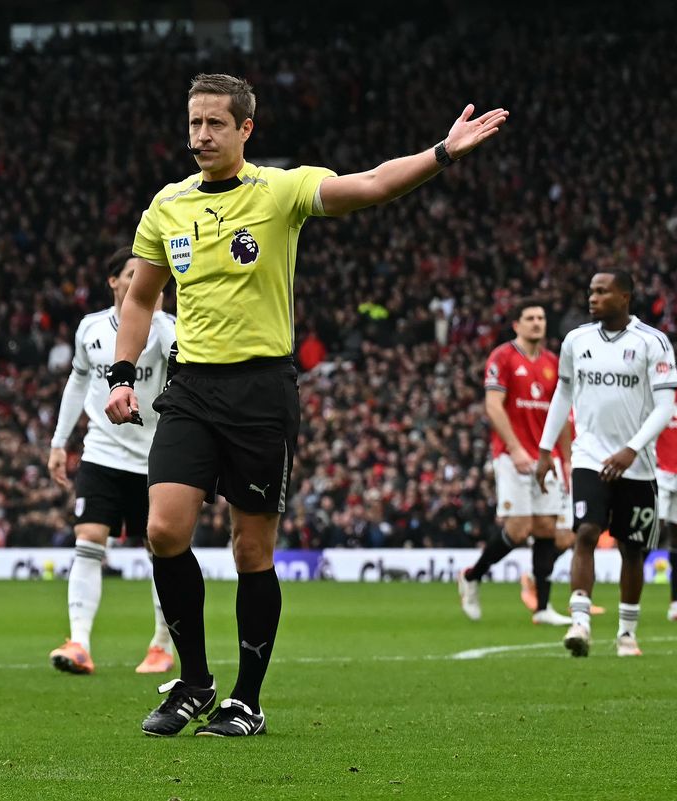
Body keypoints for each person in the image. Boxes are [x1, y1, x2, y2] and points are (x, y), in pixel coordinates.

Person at [105, 72, 508, 737]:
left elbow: (373, 184)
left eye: (214, 123)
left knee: (250, 551)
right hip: (191, 388)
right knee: (163, 531)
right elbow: (141, 298)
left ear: (245, 130)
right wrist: (122, 373)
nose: (200, 134)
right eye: (194, 122)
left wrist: (442, 151)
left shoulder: (281, 190)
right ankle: (194, 681)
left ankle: (246, 699)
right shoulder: (166, 206)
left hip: (261, 391)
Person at [46, 246, 177, 676]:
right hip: (102, 451)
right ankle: (79, 642)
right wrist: (59, 442)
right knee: (88, 537)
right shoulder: (91, 329)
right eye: (135, 273)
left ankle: (161, 644)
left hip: (154, 455)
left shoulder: (166, 331)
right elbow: (76, 384)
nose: (146, 282)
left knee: (160, 547)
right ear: (114, 281)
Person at [536, 271, 676, 657]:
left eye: (602, 291)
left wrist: (631, 449)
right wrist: (545, 449)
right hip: (589, 456)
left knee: (633, 549)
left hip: (639, 463)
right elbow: (563, 393)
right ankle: (580, 621)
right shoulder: (576, 341)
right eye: (591, 290)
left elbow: (665, 407)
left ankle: (626, 633)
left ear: (625, 296)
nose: (593, 297)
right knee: (586, 532)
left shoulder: (653, 342)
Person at [458, 299, 572, 626]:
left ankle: (543, 609)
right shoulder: (502, 357)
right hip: (513, 456)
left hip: (546, 457)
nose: (537, 323)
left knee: (548, 527)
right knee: (520, 529)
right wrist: (515, 448)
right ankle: (471, 575)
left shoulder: (553, 362)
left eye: (541, 317)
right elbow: (493, 406)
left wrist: (566, 459)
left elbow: (561, 415)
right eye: (530, 318)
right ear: (516, 324)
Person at [658, 411, 677, 620]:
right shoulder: (660, 384)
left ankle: (675, 602)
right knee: (652, 531)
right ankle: (626, 595)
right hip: (659, 469)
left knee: (676, 536)